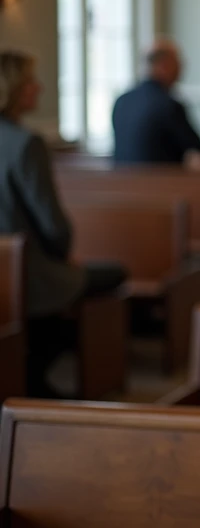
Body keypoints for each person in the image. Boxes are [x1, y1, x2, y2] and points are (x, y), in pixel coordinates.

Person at [0, 50, 127, 397]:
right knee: (113, 274)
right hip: (29, 269)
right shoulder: (24, 143)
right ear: (12, 90)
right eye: (30, 83)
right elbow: (53, 225)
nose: (39, 89)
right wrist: (63, 255)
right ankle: (34, 377)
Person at [112, 39, 200, 167]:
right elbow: (197, 148)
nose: (181, 70)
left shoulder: (121, 101)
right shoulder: (168, 105)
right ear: (165, 65)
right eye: (178, 63)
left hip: (121, 185)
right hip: (161, 185)